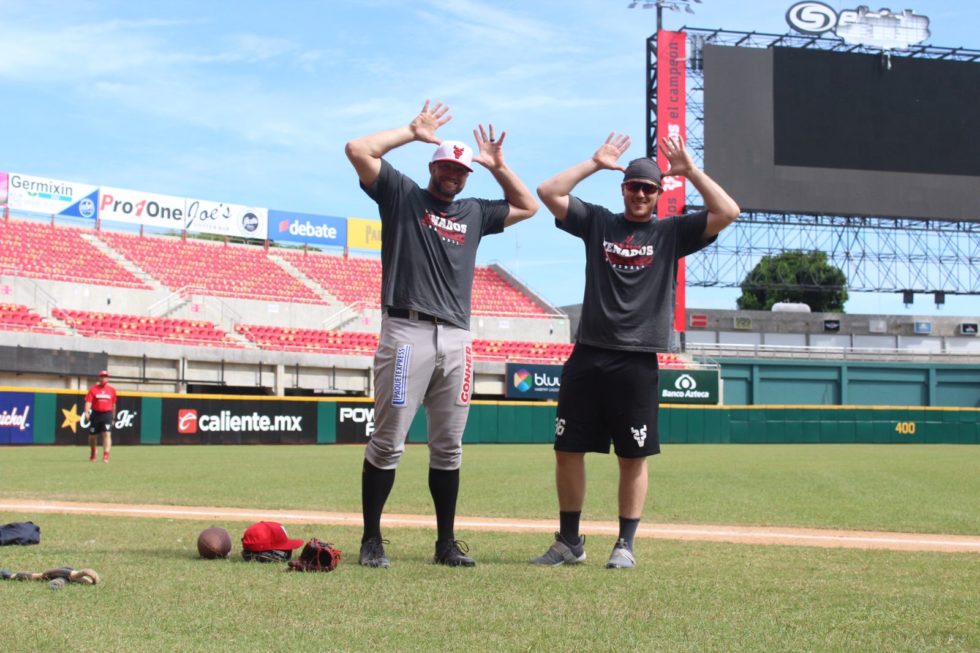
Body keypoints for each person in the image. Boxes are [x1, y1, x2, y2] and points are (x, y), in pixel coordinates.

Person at [531, 133, 739, 568]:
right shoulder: (599, 222)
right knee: (568, 450)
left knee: (633, 456)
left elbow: (728, 212)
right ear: (622, 188)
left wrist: (690, 170)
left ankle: (624, 545)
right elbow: (548, 192)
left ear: (659, 194)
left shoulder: (671, 232)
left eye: (648, 188)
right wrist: (594, 162)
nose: (640, 194)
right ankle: (569, 542)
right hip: (588, 353)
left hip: (638, 358)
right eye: (633, 186)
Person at [345, 100, 538, 568]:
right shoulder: (403, 195)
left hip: (456, 338)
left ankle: (445, 544)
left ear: (467, 176)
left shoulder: (473, 211)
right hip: (406, 331)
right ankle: (372, 540)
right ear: (433, 167)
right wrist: (412, 132)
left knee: (449, 446)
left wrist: (497, 165)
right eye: (447, 166)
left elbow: (528, 205)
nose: (453, 174)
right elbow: (357, 149)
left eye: (460, 170)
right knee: (388, 441)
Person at [84, 370, 117, 463]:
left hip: (107, 414)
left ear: (108, 378)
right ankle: (93, 451)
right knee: (92, 436)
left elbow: (113, 405)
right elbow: (88, 401)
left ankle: (106, 455)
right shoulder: (93, 389)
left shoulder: (112, 390)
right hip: (96, 414)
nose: (103, 378)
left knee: (107, 434)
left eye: (105, 377)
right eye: (102, 376)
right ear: (99, 378)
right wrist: (86, 412)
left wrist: (113, 417)